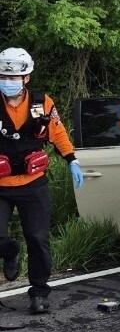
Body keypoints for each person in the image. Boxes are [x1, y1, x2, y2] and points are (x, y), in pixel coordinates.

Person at [0, 48, 84, 314]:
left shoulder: (42, 103)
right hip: (0, 184)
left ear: (27, 77)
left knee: (38, 238)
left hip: (33, 182)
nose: (8, 81)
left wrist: (72, 160)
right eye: (3, 76)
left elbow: (57, 134)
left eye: (15, 77)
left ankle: (39, 292)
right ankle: (10, 251)